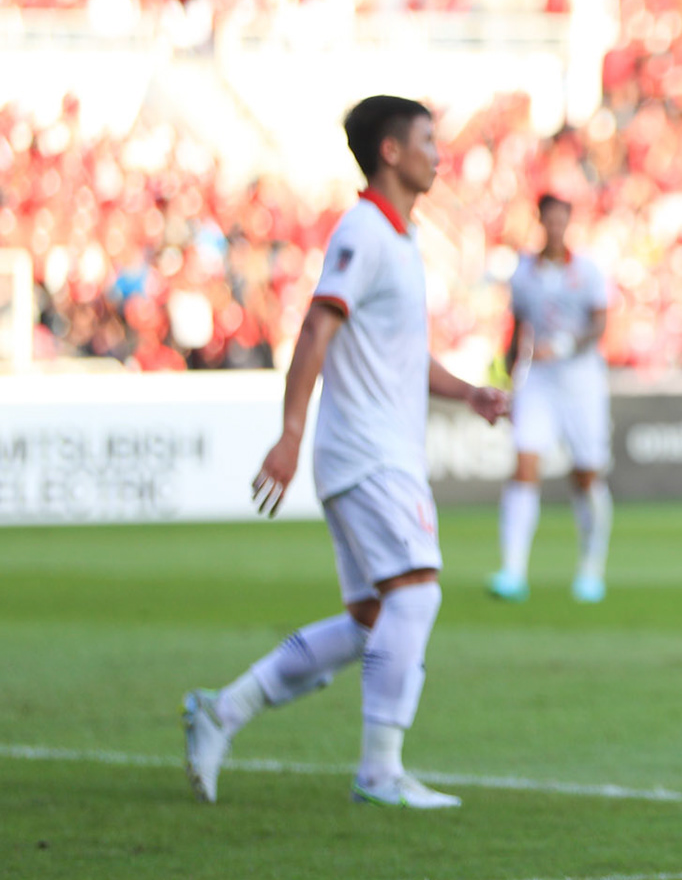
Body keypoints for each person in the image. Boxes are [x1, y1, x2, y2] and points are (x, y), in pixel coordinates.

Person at [182, 95, 510, 809]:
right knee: (416, 595)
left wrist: (470, 394)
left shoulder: (398, 239)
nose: (438, 153)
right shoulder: (363, 231)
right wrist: (290, 432)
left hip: (373, 452)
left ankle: (222, 710)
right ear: (391, 152)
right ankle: (380, 772)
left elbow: (404, 357)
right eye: (427, 139)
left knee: (371, 619)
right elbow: (314, 331)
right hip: (369, 452)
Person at [488, 193, 613, 604]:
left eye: (562, 219)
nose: (556, 227)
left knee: (585, 475)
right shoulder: (523, 273)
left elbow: (599, 325)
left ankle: (591, 568)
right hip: (538, 380)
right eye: (550, 220)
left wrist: (563, 346)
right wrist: (507, 381)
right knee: (524, 462)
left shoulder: (589, 271)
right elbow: (517, 330)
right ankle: (512, 569)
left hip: (580, 382)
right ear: (541, 221)